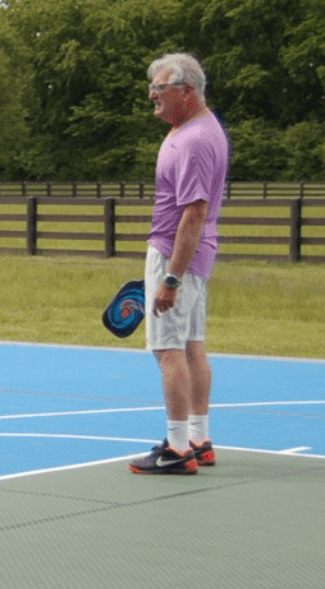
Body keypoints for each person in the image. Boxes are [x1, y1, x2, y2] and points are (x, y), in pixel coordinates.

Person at [130, 53, 228, 475]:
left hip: (178, 254)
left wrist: (171, 276)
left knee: (167, 349)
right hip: (192, 255)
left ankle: (175, 449)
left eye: (160, 87)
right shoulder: (193, 130)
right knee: (190, 345)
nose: (152, 93)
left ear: (186, 92)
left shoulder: (193, 141)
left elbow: (194, 211)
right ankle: (198, 439)